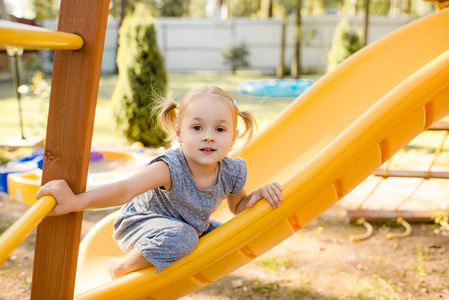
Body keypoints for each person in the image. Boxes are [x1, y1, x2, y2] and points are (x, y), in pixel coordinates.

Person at [37, 85, 283, 279]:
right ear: (179, 133)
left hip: (186, 227)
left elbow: (238, 207)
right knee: (185, 236)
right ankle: (120, 267)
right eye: (197, 127)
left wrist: (257, 196)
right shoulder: (169, 168)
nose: (208, 136)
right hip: (141, 224)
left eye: (220, 130)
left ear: (233, 138)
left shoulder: (233, 170)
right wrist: (76, 201)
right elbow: (125, 189)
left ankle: (176, 269)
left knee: (230, 237)